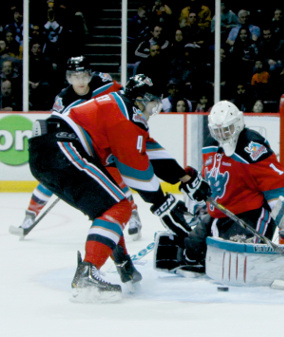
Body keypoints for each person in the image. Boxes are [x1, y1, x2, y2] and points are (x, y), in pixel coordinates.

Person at [27, 74, 209, 302]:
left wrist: (184, 177)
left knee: (107, 208)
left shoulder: (121, 109)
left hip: (49, 149)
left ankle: (121, 260)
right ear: (141, 99)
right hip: (62, 147)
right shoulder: (125, 117)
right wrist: (163, 204)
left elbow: (150, 152)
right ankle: (88, 272)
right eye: (153, 103)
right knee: (121, 206)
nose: (154, 110)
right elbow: (137, 173)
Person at [154, 101, 284, 275]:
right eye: (217, 131)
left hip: (251, 213)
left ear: (237, 124)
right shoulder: (210, 143)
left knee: (233, 259)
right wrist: (197, 194)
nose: (222, 135)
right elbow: (212, 176)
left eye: (226, 130)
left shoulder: (251, 146)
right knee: (191, 252)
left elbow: (278, 182)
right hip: (219, 214)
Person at [12, 56, 144, 239]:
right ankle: (29, 215)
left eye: (83, 76)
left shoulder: (104, 82)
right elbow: (56, 127)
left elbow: (124, 100)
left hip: (105, 140)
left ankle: (133, 215)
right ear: (68, 78)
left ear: (90, 75)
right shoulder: (63, 100)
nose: (80, 81)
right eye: (75, 77)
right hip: (80, 143)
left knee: (114, 177)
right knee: (53, 179)